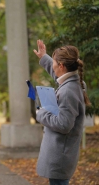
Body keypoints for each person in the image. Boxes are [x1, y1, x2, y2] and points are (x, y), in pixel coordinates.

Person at [33, 40, 91, 185]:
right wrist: (44, 57)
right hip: (62, 154)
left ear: (61, 66)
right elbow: (60, 78)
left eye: (54, 62)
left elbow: (64, 125)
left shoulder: (68, 92)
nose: (53, 66)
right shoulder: (75, 83)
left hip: (59, 156)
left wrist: (41, 113)